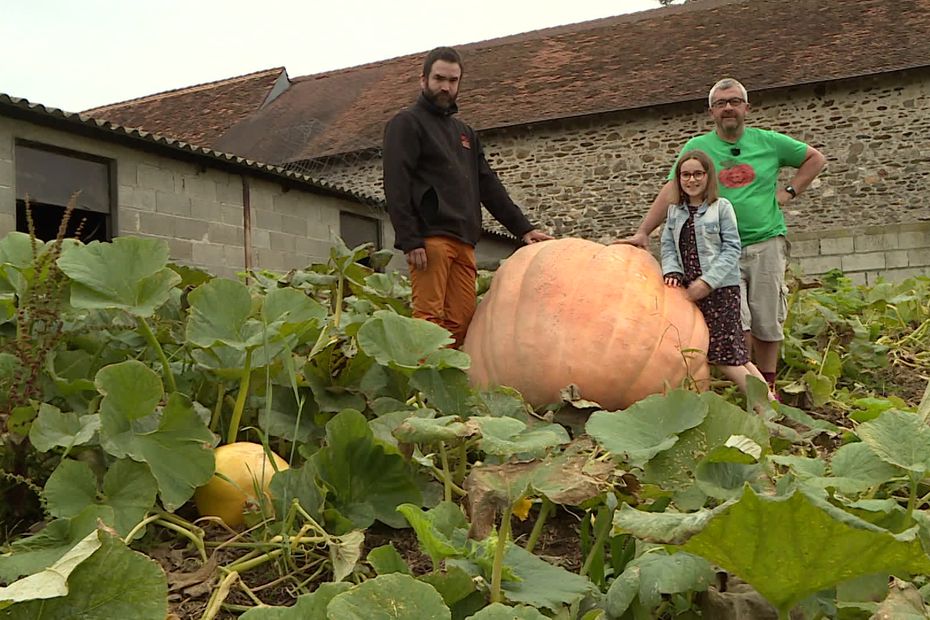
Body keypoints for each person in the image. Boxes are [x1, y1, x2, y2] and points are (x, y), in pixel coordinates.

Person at [622, 78, 826, 393]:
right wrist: (643, 230)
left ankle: (766, 383)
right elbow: (671, 189)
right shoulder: (697, 148)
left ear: (747, 108)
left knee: (766, 319)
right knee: (737, 321)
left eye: (733, 101)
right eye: (720, 103)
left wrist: (789, 191)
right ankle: (752, 386)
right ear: (711, 112)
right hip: (717, 252)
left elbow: (815, 158)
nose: (727, 108)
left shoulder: (769, 142)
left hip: (765, 242)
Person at [382, 46, 552, 348]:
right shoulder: (406, 123)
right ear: (423, 80)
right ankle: (423, 392)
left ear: (459, 83)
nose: (445, 86)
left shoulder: (465, 133)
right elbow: (396, 184)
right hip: (430, 240)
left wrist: (522, 228)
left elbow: (488, 184)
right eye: (439, 79)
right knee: (428, 321)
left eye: (453, 80)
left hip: (464, 240)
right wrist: (410, 239)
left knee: (461, 323)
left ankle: (448, 384)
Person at [661, 150, 775, 403]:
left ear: (708, 176)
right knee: (738, 356)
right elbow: (668, 245)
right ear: (679, 179)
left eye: (698, 174)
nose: (692, 180)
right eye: (686, 175)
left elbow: (732, 248)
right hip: (690, 291)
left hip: (721, 290)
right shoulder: (674, 212)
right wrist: (672, 270)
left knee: (722, 357)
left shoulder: (721, 208)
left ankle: (764, 411)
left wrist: (707, 282)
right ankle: (772, 405)